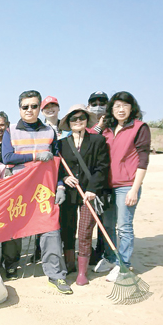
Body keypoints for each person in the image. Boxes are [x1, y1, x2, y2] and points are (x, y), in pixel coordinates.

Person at [2, 90, 72, 294]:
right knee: (14, 230)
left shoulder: (50, 132)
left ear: (39, 107)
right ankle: (11, 264)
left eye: (34, 106)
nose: (30, 110)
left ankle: (55, 275)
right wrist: (35, 155)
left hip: (44, 189)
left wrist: (60, 185)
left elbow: (56, 163)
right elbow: (7, 157)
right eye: (25, 107)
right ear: (19, 109)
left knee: (50, 229)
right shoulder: (11, 130)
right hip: (19, 189)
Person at [94, 91, 151, 282]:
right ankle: (111, 258)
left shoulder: (139, 127)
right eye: (117, 106)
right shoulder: (108, 129)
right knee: (108, 225)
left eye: (125, 106)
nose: (121, 109)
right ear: (111, 109)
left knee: (124, 227)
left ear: (131, 108)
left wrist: (135, 189)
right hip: (107, 186)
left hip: (127, 186)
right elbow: (88, 139)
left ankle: (123, 264)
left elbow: (143, 160)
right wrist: (100, 125)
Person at [57, 105, 109, 285]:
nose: (78, 121)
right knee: (68, 228)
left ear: (87, 120)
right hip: (70, 193)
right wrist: (64, 177)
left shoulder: (98, 141)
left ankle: (82, 271)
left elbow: (102, 168)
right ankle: (70, 264)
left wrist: (93, 189)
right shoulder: (62, 144)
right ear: (68, 123)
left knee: (85, 230)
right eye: (74, 119)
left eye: (81, 118)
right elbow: (59, 168)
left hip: (90, 193)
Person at [86, 91, 109, 264]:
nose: (98, 105)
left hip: (109, 182)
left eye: (102, 102)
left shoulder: (114, 126)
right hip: (89, 184)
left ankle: (103, 251)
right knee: (87, 221)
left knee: (106, 221)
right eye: (94, 103)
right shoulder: (86, 127)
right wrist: (98, 127)